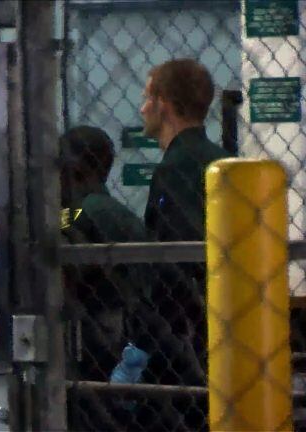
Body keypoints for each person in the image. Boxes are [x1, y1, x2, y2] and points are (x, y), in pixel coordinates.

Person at [140, 58, 230, 429]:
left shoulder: (176, 168)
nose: (142, 108)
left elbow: (175, 254)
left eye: (147, 97)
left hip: (187, 330)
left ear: (163, 103)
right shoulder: (221, 159)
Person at [59, 126, 154, 431]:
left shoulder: (80, 211)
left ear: (75, 166)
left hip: (97, 329)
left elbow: (74, 269)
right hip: (127, 327)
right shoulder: (115, 210)